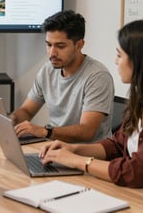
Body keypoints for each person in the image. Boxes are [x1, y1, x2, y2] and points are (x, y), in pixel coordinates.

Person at [40, 18, 143, 188]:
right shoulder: (141, 99)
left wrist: (78, 161)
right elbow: (117, 145)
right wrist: (73, 149)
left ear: (141, 61)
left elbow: (135, 171)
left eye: (120, 55)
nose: (115, 61)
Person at [11, 10, 114, 143]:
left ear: (79, 45)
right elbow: (27, 111)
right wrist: (11, 120)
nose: (52, 53)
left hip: (88, 156)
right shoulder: (47, 70)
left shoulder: (98, 76)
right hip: (56, 149)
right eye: (48, 45)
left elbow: (87, 131)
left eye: (60, 46)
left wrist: (45, 131)